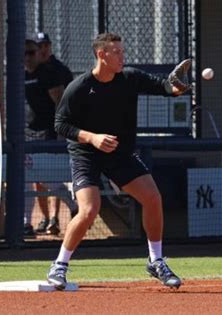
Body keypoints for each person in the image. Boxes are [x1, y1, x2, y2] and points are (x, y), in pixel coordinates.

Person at [47, 32, 190, 289]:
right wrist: (92, 138)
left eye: (122, 51)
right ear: (102, 55)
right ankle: (59, 265)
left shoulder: (130, 78)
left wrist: (177, 88)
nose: (122, 56)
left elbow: (164, 87)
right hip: (86, 153)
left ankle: (156, 261)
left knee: (153, 197)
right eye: (117, 52)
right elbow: (61, 124)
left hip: (119, 154)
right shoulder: (79, 87)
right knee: (89, 209)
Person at [33, 32, 76, 235]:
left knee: (53, 174)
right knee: (37, 176)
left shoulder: (58, 70)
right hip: (34, 129)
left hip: (55, 129)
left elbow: (66, 100)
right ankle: (43, 218)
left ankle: (55, 217)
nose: (42, 49)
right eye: (38, 46)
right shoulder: (31, 70)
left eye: (45, 45)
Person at [23, 38, 65, 236]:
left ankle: (59, 214)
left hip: (47, 132)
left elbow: (60, 102)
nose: (28, 57)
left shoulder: (48, 73)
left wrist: (59, 130)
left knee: (49, 174)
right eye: (25, 53)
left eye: (32, 52)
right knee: (31, 177)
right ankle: (35, 220)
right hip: (28, 132)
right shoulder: (20, 74)